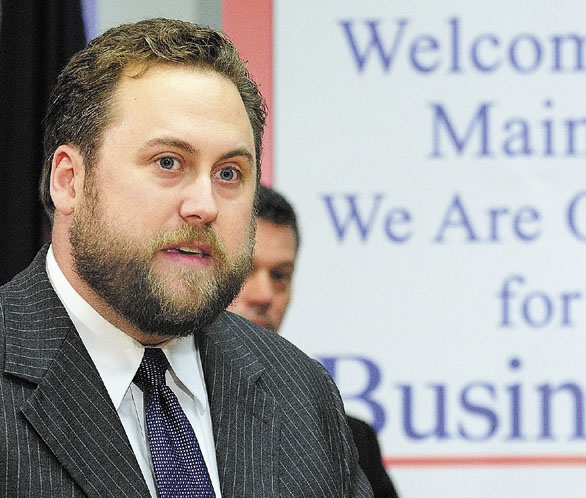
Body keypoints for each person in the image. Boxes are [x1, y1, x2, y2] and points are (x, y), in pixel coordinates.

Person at [0, 18, 372, 498]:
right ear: (70, 180)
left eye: (229, 173)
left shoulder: (299, 392)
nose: (205, 204)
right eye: (168, 162)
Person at [229, 186, 399, 498]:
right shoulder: (157, 416)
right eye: (244, 270)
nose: (264, 295)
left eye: (280, 275)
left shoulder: (347, 441)